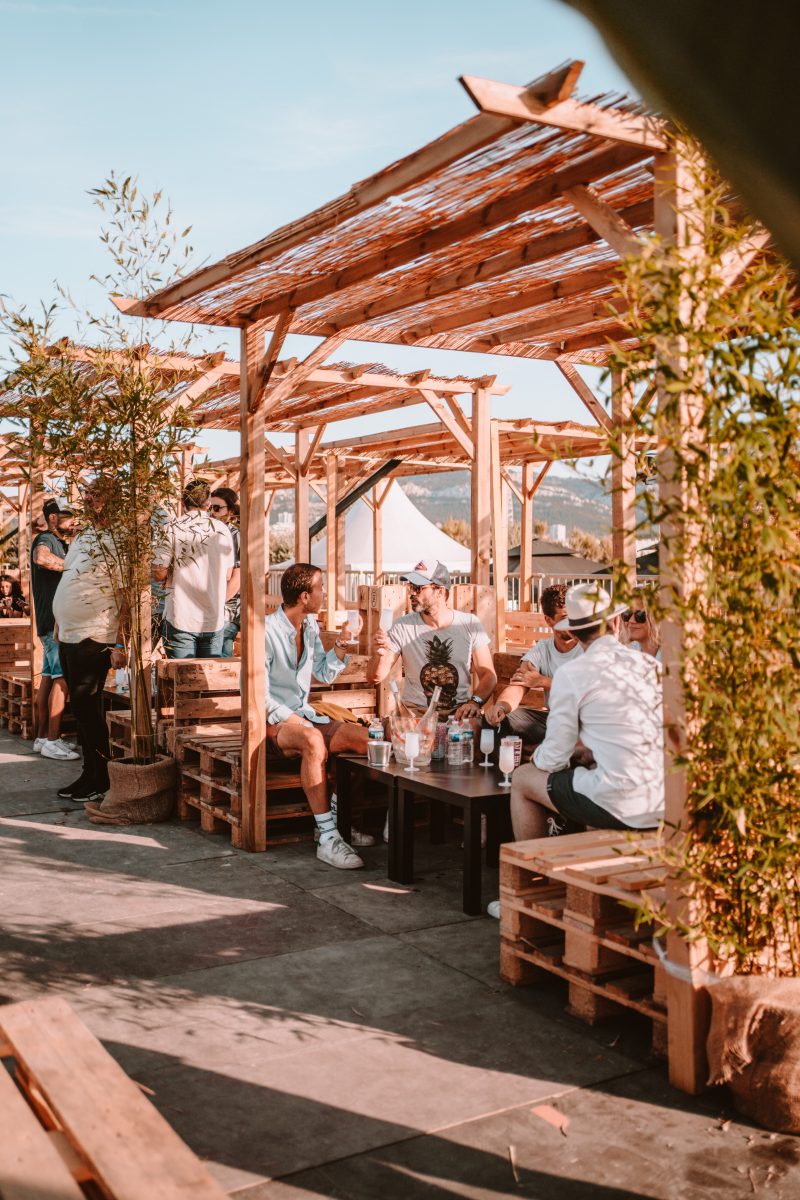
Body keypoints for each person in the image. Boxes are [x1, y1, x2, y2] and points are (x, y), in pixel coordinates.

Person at [508, 582, 664, 843]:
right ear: (616, 622)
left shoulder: (571, 674)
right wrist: (585, 752)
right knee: (587, 768)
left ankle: (533, 864)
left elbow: (553, 758)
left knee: (523, 778)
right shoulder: (650, 665)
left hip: (620, 804)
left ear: (573, 632)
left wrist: (537, 757)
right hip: (660, 798)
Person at [264, 563, 373, 870]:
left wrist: (342, 643)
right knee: (313, 740)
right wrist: (297, 722)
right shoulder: (266, 632)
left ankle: (333, 820)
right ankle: (328, 837)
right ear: (304, 596)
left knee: (367, 741)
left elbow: (323, 673)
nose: (324, 593)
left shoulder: (310, 626)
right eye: (320, 588)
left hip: (305, 715)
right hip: (272, 722)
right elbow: (259, 696)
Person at [52, 483, 127, 803]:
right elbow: (69, 577)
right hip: (69, 634)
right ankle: (89, 773)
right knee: (82, 711)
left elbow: (125, 595)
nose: (88, 501)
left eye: (96, 497)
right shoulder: (83, 536)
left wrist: (120, 645)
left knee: (89, 710)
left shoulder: (118, 539)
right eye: (87, 497)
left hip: (94, 635)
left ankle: (102, 778)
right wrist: (59, 621)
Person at [367, 560, 497, 722]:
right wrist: (379, 655)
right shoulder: (402, 626)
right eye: (410, 587)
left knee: (476, 728)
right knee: (395, 728)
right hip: (415, 714)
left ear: (440, 592)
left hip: (459, 713)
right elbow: (374, 677)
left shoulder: (470, 624)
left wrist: (474, 702)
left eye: (418, 588)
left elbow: (488, 675)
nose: (412, 593)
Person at [483, 584, 583, 749]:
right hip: (554, 720)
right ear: (549, 620)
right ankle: (508, 766)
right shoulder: (542, 649)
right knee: (495, 721)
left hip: (586, 722)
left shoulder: (588, 646)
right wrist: (500, 707)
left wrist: (544, 681)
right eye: (565, 617)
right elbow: (518, 686)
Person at [152, 480, 235, 658]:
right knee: (208, 674)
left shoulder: (172, 528)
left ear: (183, 502)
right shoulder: (222, 530)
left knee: (181, 675)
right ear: (208, 503)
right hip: (213, 618)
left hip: (181, 617)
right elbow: (228, 574)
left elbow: (159, 573)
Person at [30, 498, 79, 760]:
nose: (74, 521)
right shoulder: (46, 539)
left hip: (50, 621)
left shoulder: (61, 542)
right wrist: (74, 568)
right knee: (62, 679)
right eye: (69, 515)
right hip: (53, 622)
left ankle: (41, 738)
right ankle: (52, 740)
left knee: (48, 678)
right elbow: (41, 558)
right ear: (52, 518)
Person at [207, 487, 241, 657]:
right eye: (209, 508)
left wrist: (216, 604)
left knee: (219, 661)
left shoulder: (235, 535)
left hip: (227, 613)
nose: (212, 513)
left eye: (217, 508)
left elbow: (237, 578)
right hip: (212, 611)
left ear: (231, 511)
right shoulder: (210, 534)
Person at [620, 591, 662, 661]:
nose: (631, 620)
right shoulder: (626, 653)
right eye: (627, 613)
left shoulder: (672, 654)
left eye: (640, 615)